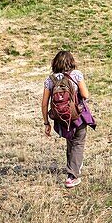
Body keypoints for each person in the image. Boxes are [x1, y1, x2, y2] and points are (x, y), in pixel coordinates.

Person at [41, 50, 96, 188]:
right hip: (77, 116)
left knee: (71, 141)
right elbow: (85, 94)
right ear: (71, 62)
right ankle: (72, 176)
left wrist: (46, 123)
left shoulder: (50, 80)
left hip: (61, 118)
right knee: (78, 142)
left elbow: (44, 103)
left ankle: (73, 166)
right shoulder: (76, 75)